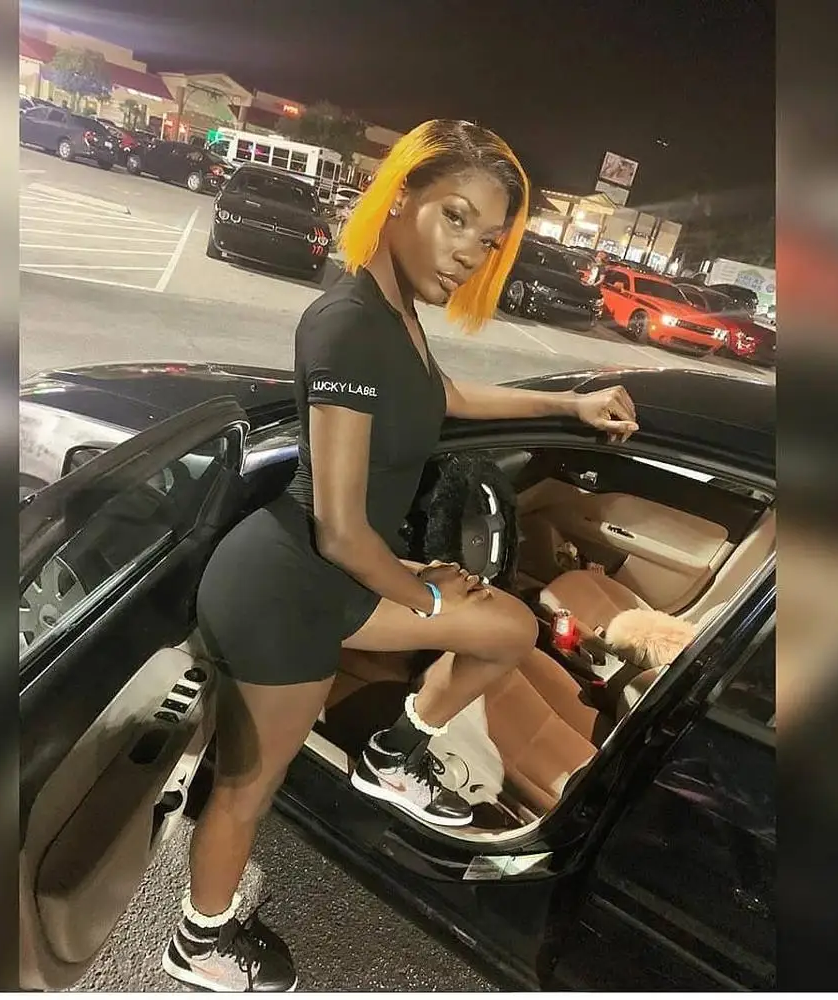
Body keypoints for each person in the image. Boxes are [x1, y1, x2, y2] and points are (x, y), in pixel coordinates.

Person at [162, 119, 639, 993]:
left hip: (338, 574)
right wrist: (421, 593)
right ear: (400, 195)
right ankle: (199, 941)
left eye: (488, 240)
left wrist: (569, 405)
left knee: (506, 628)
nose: (469, 253)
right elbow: (341, 530)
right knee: (248, 786)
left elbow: (441, 395)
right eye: (455, 217)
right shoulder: (348, 324)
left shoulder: (396, 315)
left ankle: (395, 754)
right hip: (290, 592)